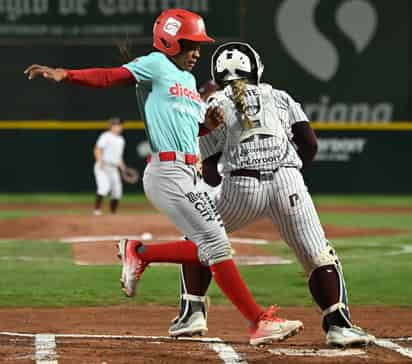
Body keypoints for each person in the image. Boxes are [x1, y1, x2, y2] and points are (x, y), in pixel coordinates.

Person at [24, 9, 303, 346]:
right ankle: (257, 321)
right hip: (167, 172)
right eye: (192, 45)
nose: (198, 53)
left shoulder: (187, 83)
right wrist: (66, 75)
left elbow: (189, 128)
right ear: (171, 42)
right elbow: (111, 76)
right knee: (216, 245)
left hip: (190, 173)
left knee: (208, 247)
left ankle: (139, 253)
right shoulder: (156, 65)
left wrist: (207, 126)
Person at [169, 42, 375, 347]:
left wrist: (213, 190)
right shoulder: (279, 96)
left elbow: (210, 168)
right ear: (256, 68)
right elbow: (310, 144)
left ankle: (192, 314)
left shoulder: (213, 104)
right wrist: (288, 171)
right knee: (318, 254)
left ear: (216, 73)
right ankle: (338, 325)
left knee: (199, 236)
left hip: (241, 187)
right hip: (287, 181)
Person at [93, 117, 126, 215]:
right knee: (104, 187)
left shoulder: (121, 140)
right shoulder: (105, 136)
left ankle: (113, 213)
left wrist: (122, 166)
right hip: (103, 166)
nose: (118, 127)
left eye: (119, 125)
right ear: (111, 126)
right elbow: (97, 149)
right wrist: (100, 161)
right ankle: (97, 211)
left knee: (117, 191)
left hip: (114, 168)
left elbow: (118, 157)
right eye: (116, 125)